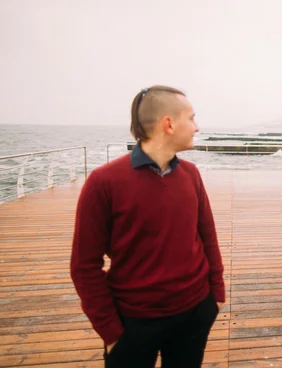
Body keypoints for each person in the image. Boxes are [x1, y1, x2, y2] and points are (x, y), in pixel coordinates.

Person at [70, 85, 225, 368]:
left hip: (194, 314)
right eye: (191, 118)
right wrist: (110, 330)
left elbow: (207, 237)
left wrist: (214, 297)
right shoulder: (104, 182)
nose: (197, 127)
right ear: (169, 123)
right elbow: (84, 265)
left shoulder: (190, 175)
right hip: (132, 324)